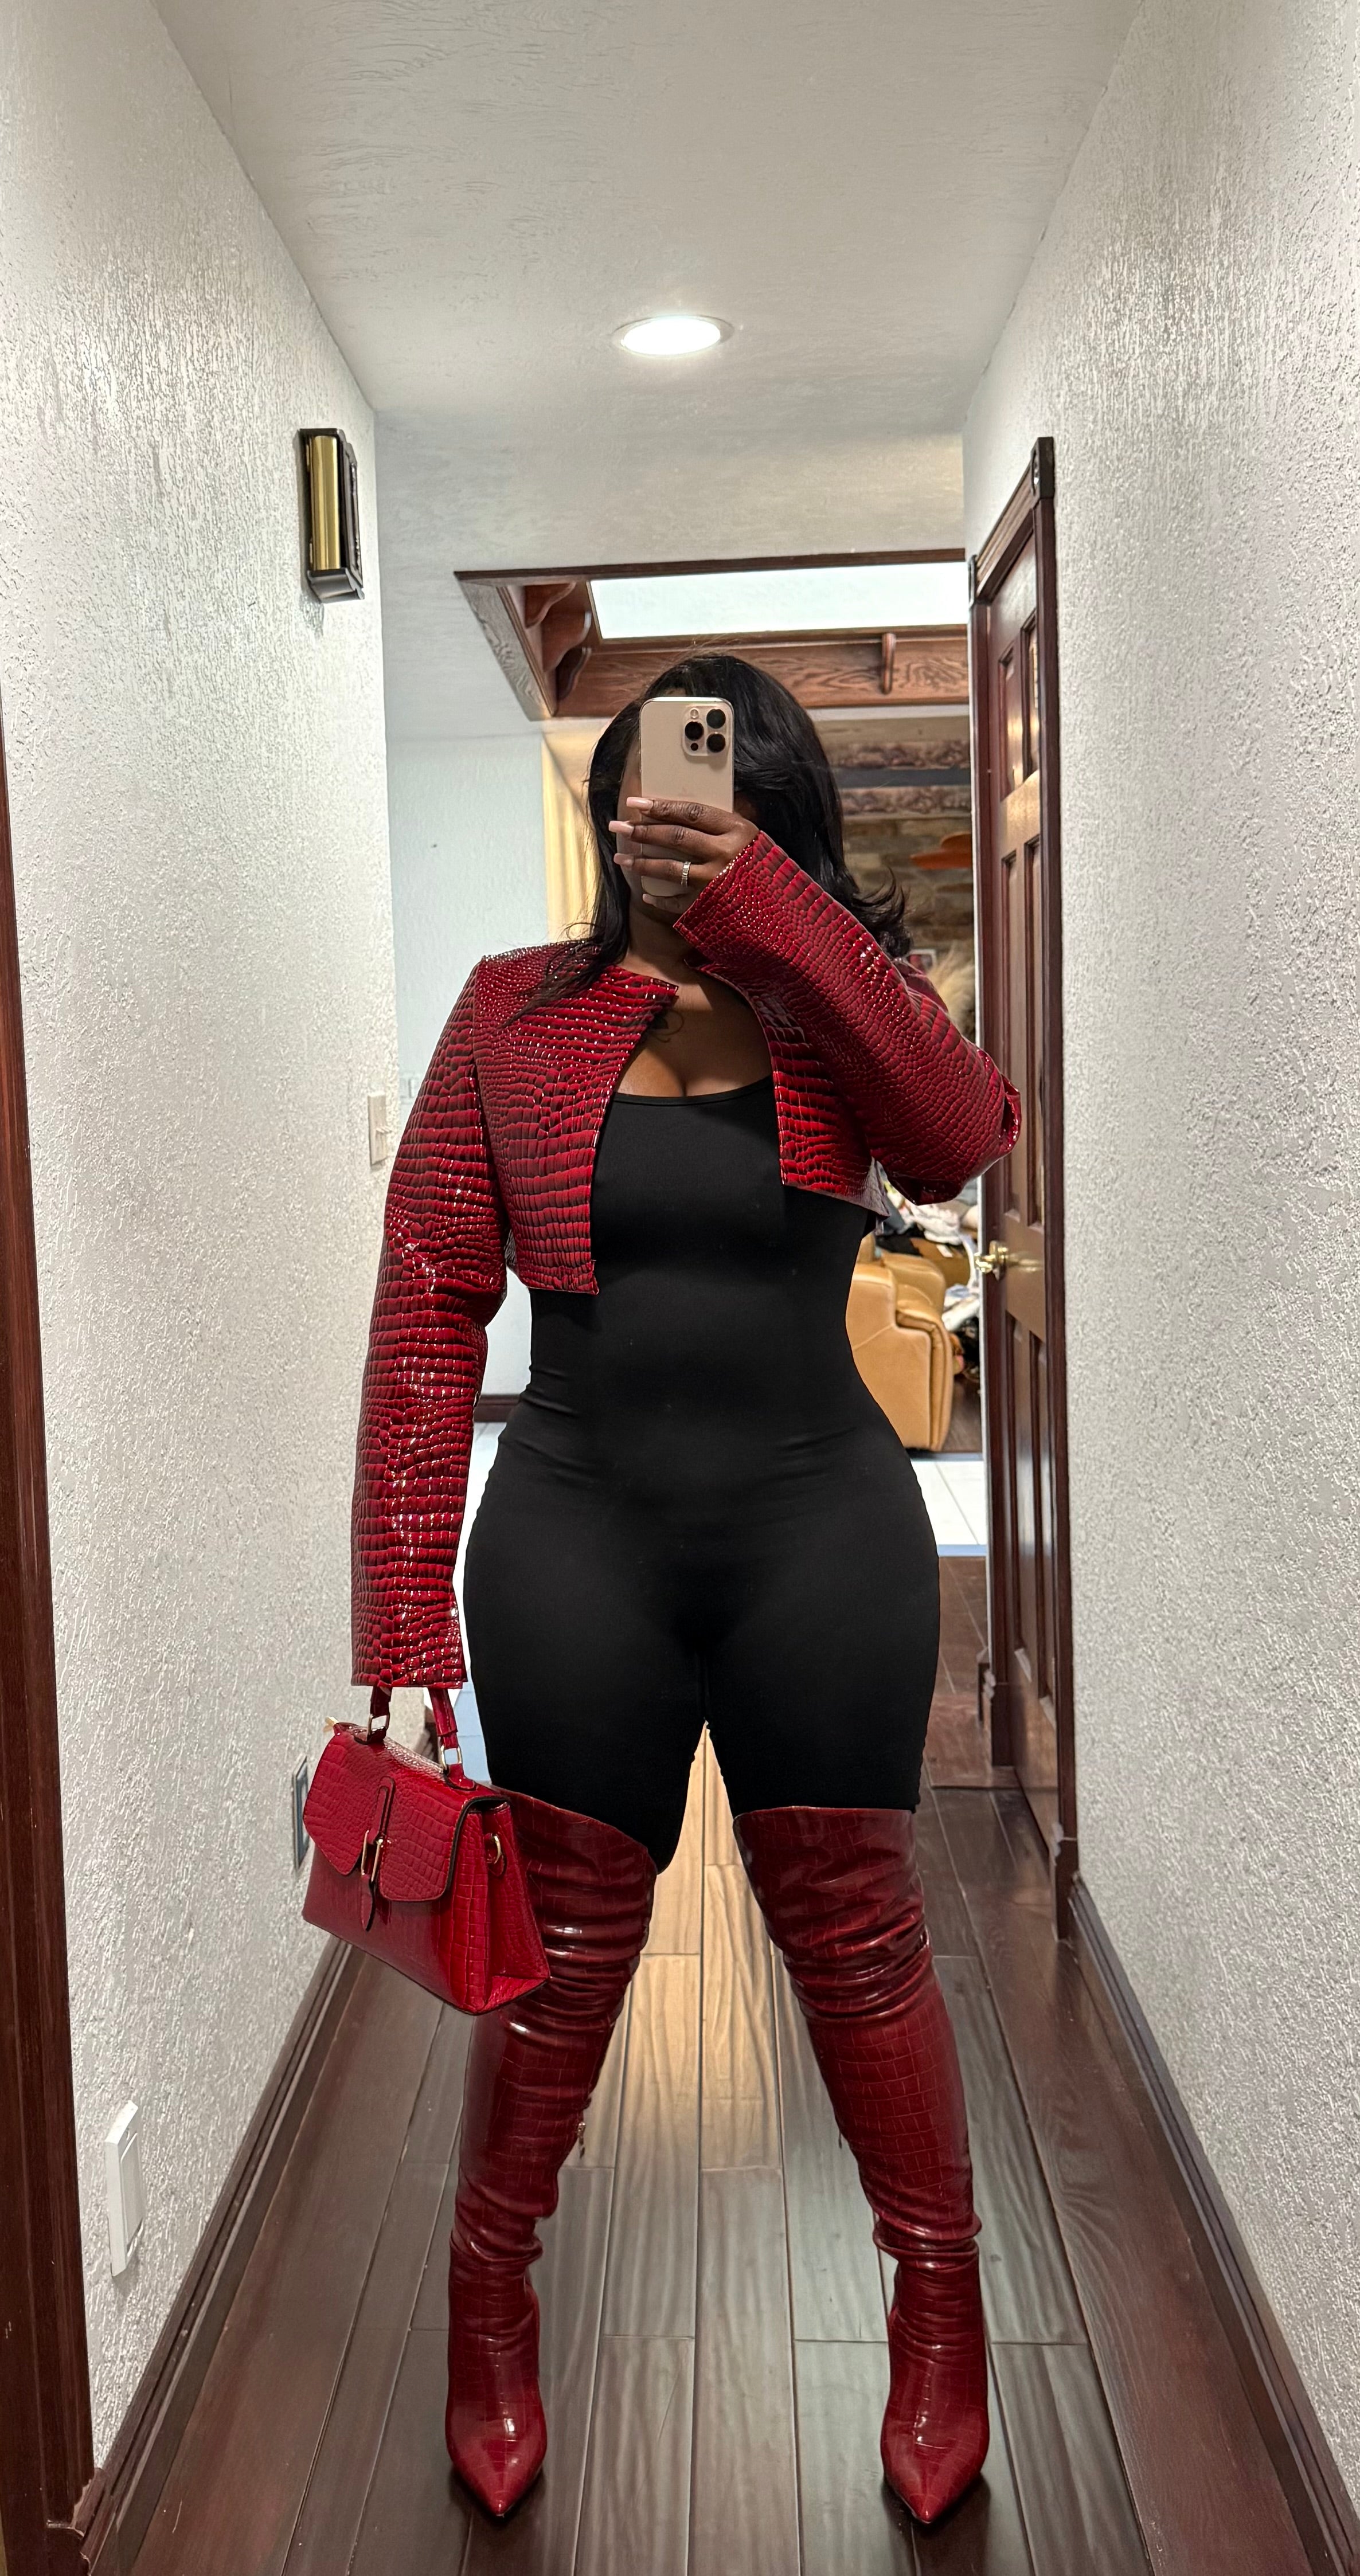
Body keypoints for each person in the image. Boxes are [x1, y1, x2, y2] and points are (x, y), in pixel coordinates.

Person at [351, 653, 1020, 2526]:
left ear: (779, 812)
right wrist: (400, 1617)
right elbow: (428, 1306)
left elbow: (958, 1138)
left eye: (725, 791)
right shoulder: (510, 1011)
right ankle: (489, 2309)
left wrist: (769, 913)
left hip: (823, 1534)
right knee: (558, 1955)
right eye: (647, 786)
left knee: (861, 1940)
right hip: (577, 1536)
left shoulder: (848, 1009)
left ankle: (942, 2319)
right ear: (604, 807)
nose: (677, 812)